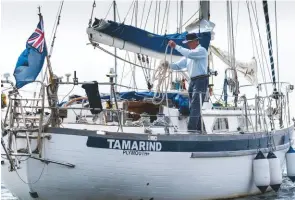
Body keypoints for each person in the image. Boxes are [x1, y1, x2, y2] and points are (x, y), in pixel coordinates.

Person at [166, 32, 209, 132]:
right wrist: (167, 65)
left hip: (201, 80)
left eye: (189, 42)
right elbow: (178, 65)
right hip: (193, 81)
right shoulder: (189, 55)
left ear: (195, 41)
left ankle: (191, 130)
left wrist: (176, 46)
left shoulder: (201, 50)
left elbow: (189, 54)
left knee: (195, 105)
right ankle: (200, 130)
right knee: (193, 106)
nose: (188, 44)